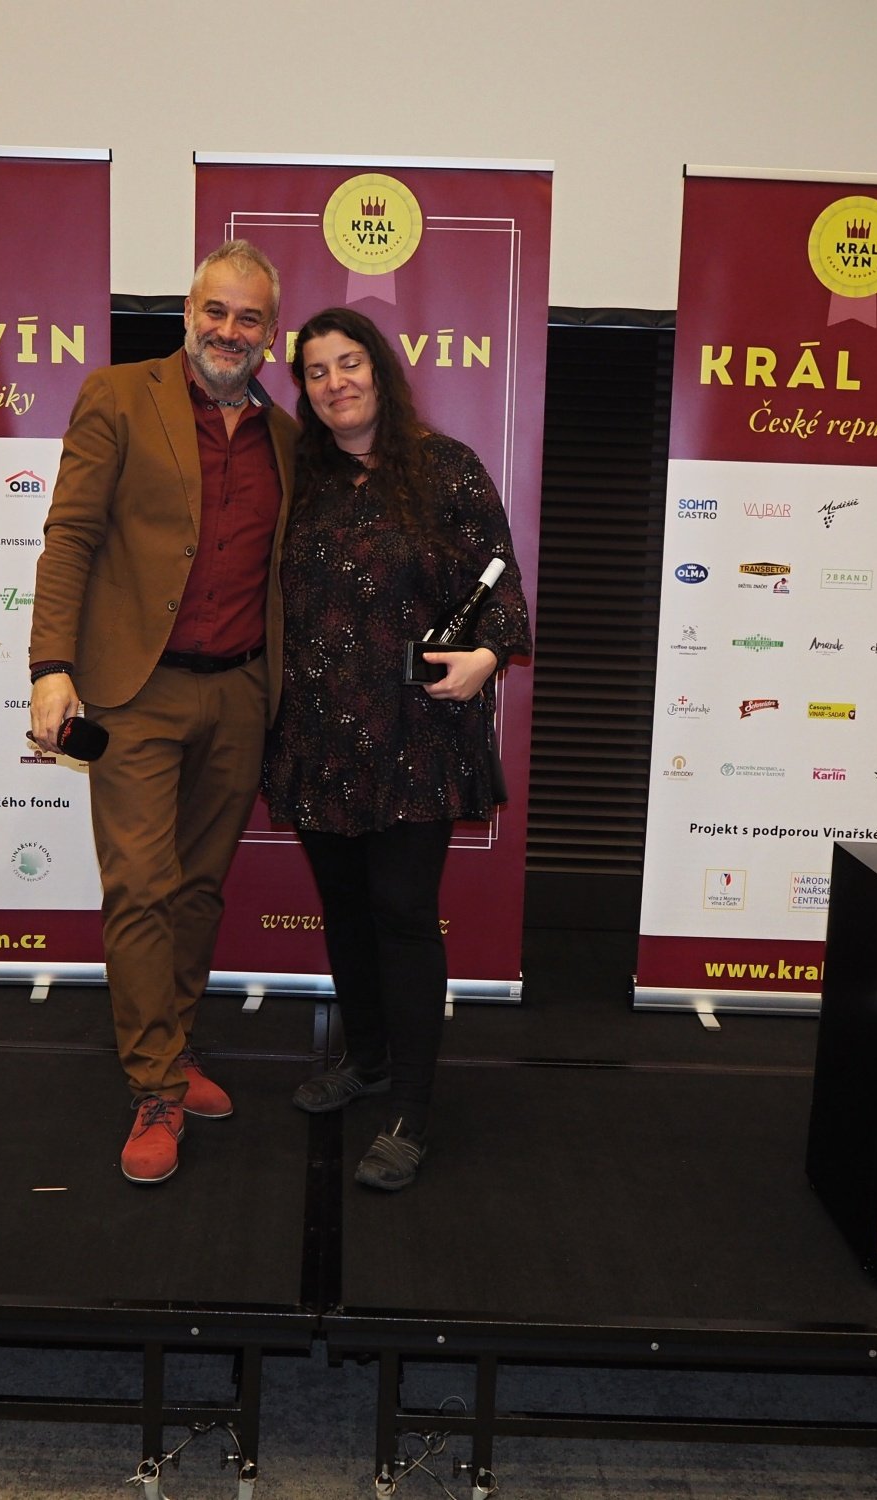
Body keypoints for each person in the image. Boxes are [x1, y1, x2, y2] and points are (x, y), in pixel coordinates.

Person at [29, 240, 298, 1185]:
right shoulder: (117, 395)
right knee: (142, 885)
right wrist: (51, 667)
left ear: (271, 334)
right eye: (215, 310)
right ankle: (154, 1086)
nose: (229, 330)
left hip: (240, 693)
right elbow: (70, 537)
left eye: (249, 317)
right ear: (188, 312)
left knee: (198, 889)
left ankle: (175, 1050)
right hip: (134, 693)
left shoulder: (287, 438)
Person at [265, 306, 531, 1191]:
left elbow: (501, 584)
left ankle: (412, 1107)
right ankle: (368, 1059)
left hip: (416, 735)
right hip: (315, 734)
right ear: (303, 389)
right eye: (316, 371)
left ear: (379, 368)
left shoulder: (445, 466)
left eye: (349, 362)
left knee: (403, 912)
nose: (335, 382)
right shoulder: (297, 478)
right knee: (344, 908)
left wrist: (487, 657)